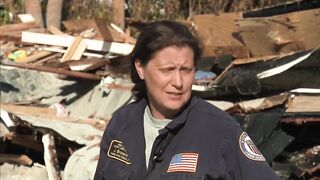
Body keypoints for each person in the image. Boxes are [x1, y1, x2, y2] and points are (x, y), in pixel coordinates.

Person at [94, 20, 280, 180]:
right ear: (141, 68)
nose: (178, 82)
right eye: (167, 70)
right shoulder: (120, 125)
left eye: (186, 70)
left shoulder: (220, 131)